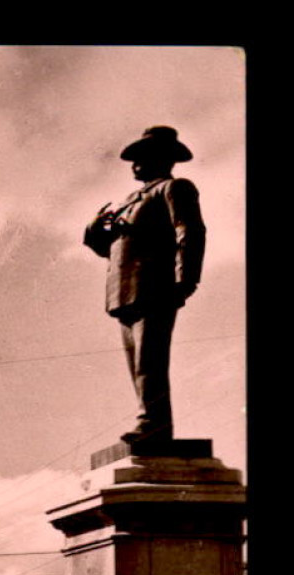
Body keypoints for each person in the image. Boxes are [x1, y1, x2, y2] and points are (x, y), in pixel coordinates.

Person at [83, 125, 205, 444]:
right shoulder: (130, 201)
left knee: (149, 363)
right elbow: (111, 249)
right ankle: (150, 421)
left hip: (155, 289)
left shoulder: (175, 188)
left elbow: (190, 232)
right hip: (125, 295)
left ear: (163, 158)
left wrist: (186, 279)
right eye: (134, 158)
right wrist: (94, 232)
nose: (135, 164)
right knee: (138, 365)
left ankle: (152, 423)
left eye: (143, 157)